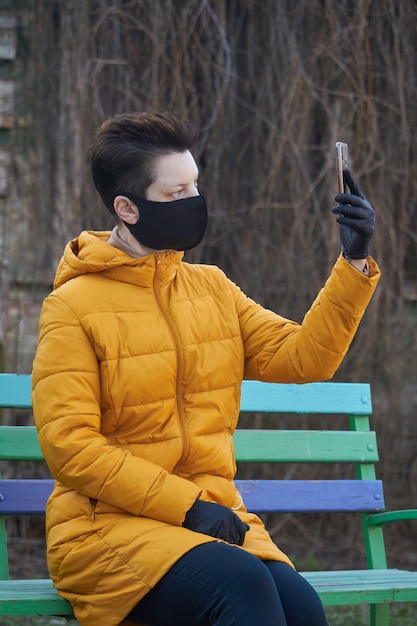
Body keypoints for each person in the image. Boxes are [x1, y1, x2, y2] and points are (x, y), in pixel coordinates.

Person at [32, 111, 380, 626]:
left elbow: (302, 358)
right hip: (105, 528)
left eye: (195, 184)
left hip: (214, 522)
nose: (195, 200)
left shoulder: (211, 288)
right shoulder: (72, 306)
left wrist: (353, 262)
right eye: (176, 193)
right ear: (127, 208)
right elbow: (71, 446)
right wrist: (187, 506)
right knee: (239, 586)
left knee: (302, 608)